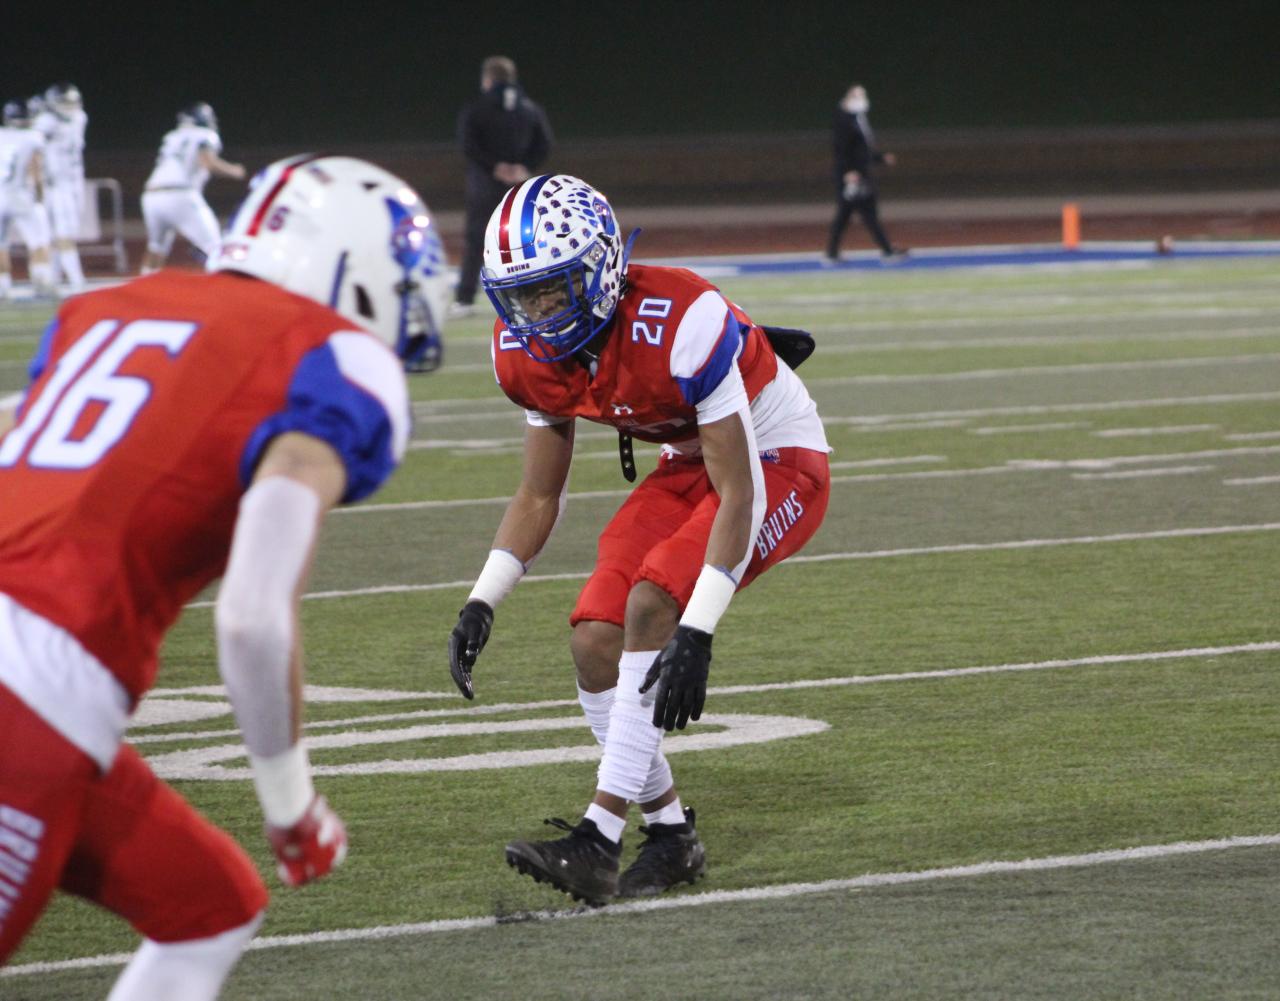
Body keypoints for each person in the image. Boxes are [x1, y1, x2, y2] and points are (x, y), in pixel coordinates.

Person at [0, 154, 447, 998]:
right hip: (32, 692)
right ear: (351, 265)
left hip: (36, 687)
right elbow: (250, 613)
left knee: (209, 902)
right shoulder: (329, 360)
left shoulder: (103, 309)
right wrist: (289, 802)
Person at [446, 174, 832, 906]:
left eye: (550, 290)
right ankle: (671, 832)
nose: (534, 311)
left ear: (597, 268)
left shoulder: (680, 317)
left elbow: (740, 491)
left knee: (654, 599)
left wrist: (700, 629)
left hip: (776, 459)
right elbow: (538, 492)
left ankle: (596, 838)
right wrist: (482, 598)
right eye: (520, 295)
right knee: (594, 635)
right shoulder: (526, 355)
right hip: (689, 461)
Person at [453, 55, 553, 316]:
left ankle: (465, 299)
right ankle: (530, 297)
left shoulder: (476, 108)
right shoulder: (529, 107)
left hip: (484, 185)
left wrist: (494, 167)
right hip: (519, 186)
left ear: (487, 79)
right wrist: (522, 167)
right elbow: (545, 144)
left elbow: (467, 144)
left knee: (477, 240)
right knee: (521, 240)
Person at [140, 102, 247, 273]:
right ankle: (223, 290)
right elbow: (207, 161)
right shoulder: (205, 135)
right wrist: (234, 171)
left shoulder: (172, 136)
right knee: (215, 247)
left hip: (151, 195)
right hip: (179, 194)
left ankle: (140, 291)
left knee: (156, 248)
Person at [824, 83, 905, 265]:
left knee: (847, 215)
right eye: (858, 96)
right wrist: (848, 172)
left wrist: (880, 158)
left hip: (860, 173)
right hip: (854, 176)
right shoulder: (843, 120)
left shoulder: (857, 118)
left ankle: (832, 253)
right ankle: (887, 250)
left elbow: (862, 149)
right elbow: (841, 149)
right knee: (866, 214)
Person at [31, 83, 88, 294]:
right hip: (55, 183)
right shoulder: (46, 121)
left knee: (65, 232)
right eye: (64, 102)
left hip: (73, 181)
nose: (70, 106)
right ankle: (76, 281)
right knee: (62, 233)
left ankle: (54, 278)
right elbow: (33, 143)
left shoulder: (79, 117)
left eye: (72, 102)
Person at [0, 99, 54, 298]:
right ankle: (41, 284)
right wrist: (39, 194)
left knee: (1, 244)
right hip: (20, 194)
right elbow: (35, 168)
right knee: (38, 241)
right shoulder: (33, 137)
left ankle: (2, 289)